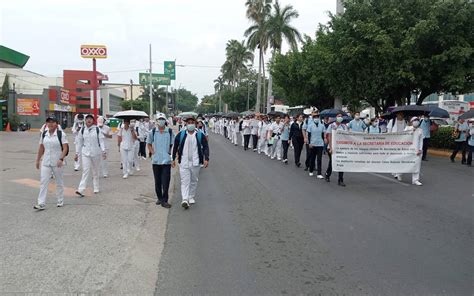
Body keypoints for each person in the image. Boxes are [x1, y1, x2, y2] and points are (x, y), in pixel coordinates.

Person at [172, 115, 210, 210]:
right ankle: (185, 199)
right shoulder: (181, 134)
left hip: (196, 162)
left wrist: (206, 159)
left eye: (192, 123)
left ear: (195, 123)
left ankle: (191, 196)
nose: (190, 124)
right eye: (188, 123)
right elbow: (175, 146)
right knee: (185, 181)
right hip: (184, 162)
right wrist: (173, 159)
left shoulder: (200, 135)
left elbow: (205, 147)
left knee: (194, 180)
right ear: (186, 124)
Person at [34, 116, 69, 210]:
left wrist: (61, 159)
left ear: (56, 124)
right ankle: (41, 203)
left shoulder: (61, 134)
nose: (50, 124)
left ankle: (60, 200)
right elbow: (41, 147)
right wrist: (38, 160)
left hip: (58, 162)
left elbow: (65, 147)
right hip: (46, 162)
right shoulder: (44, 134)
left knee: (59, 182)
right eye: (48, 122)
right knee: (43, 182)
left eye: (52, 122)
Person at [75, 114, 106, 196]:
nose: (89, 120)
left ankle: (96, 187)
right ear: (85, 120)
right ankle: (81, 189)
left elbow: (101, 141)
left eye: (90, 119)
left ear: (93, 121)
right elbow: (79, 142)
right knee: (85, 170)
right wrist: (77, 153)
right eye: (87, 119)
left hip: (96, 153)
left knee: (95, 171)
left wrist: (103, 151)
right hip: (85, 153)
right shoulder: (82, 130)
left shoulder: (97, 129)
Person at [147, 113, 174, 208]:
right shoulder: (153, 132)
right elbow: (149, 143)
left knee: (166, 181)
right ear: (157, 121)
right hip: (156, 161)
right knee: (157, 181)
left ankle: (165, 200)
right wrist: (152, 152)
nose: (161, 120)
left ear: (165, 120)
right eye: (159, 119)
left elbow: (172, 144)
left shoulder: (169, 132)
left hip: (166, 161)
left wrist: (170, 154)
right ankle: (159, 197)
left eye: (163, 119)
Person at [325, 113, 347, 186]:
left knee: (341, 163)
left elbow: (347, 136)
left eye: (341, 116)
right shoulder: (331, 126)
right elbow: (328, 136)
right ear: (336, 117)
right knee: (332, 162)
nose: (340, 118)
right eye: (338, 116)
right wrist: (331, 148)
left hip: (340, 148)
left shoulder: (343, 126)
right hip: (332, 147)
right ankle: (327, 175)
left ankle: (340, 180)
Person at [403, 117, 423, 185]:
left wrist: (420, 149)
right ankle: (399, 173)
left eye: (417, 120)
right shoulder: (407, 128)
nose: (416, 121)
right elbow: (403, 137)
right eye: (415, 120)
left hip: (416, 151)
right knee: (404, 163)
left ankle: (415, 180)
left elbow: (421, 141)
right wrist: (411, 131)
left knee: (417, 165)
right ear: (411, 121)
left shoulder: (420, 130)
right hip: (408, 150)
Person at [307, 112, 326, 178]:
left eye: (317, 117)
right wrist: (309, 143)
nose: (316, 119)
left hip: (320, 144)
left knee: (319, 159)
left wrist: (324, 141)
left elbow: (323, 135)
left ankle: (319, 173)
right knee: (312, 158)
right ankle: (311, 170)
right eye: (315, 117)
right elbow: (309, 135)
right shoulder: (310, 126)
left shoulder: (322, 125)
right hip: (312, 144)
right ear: (313, 118)